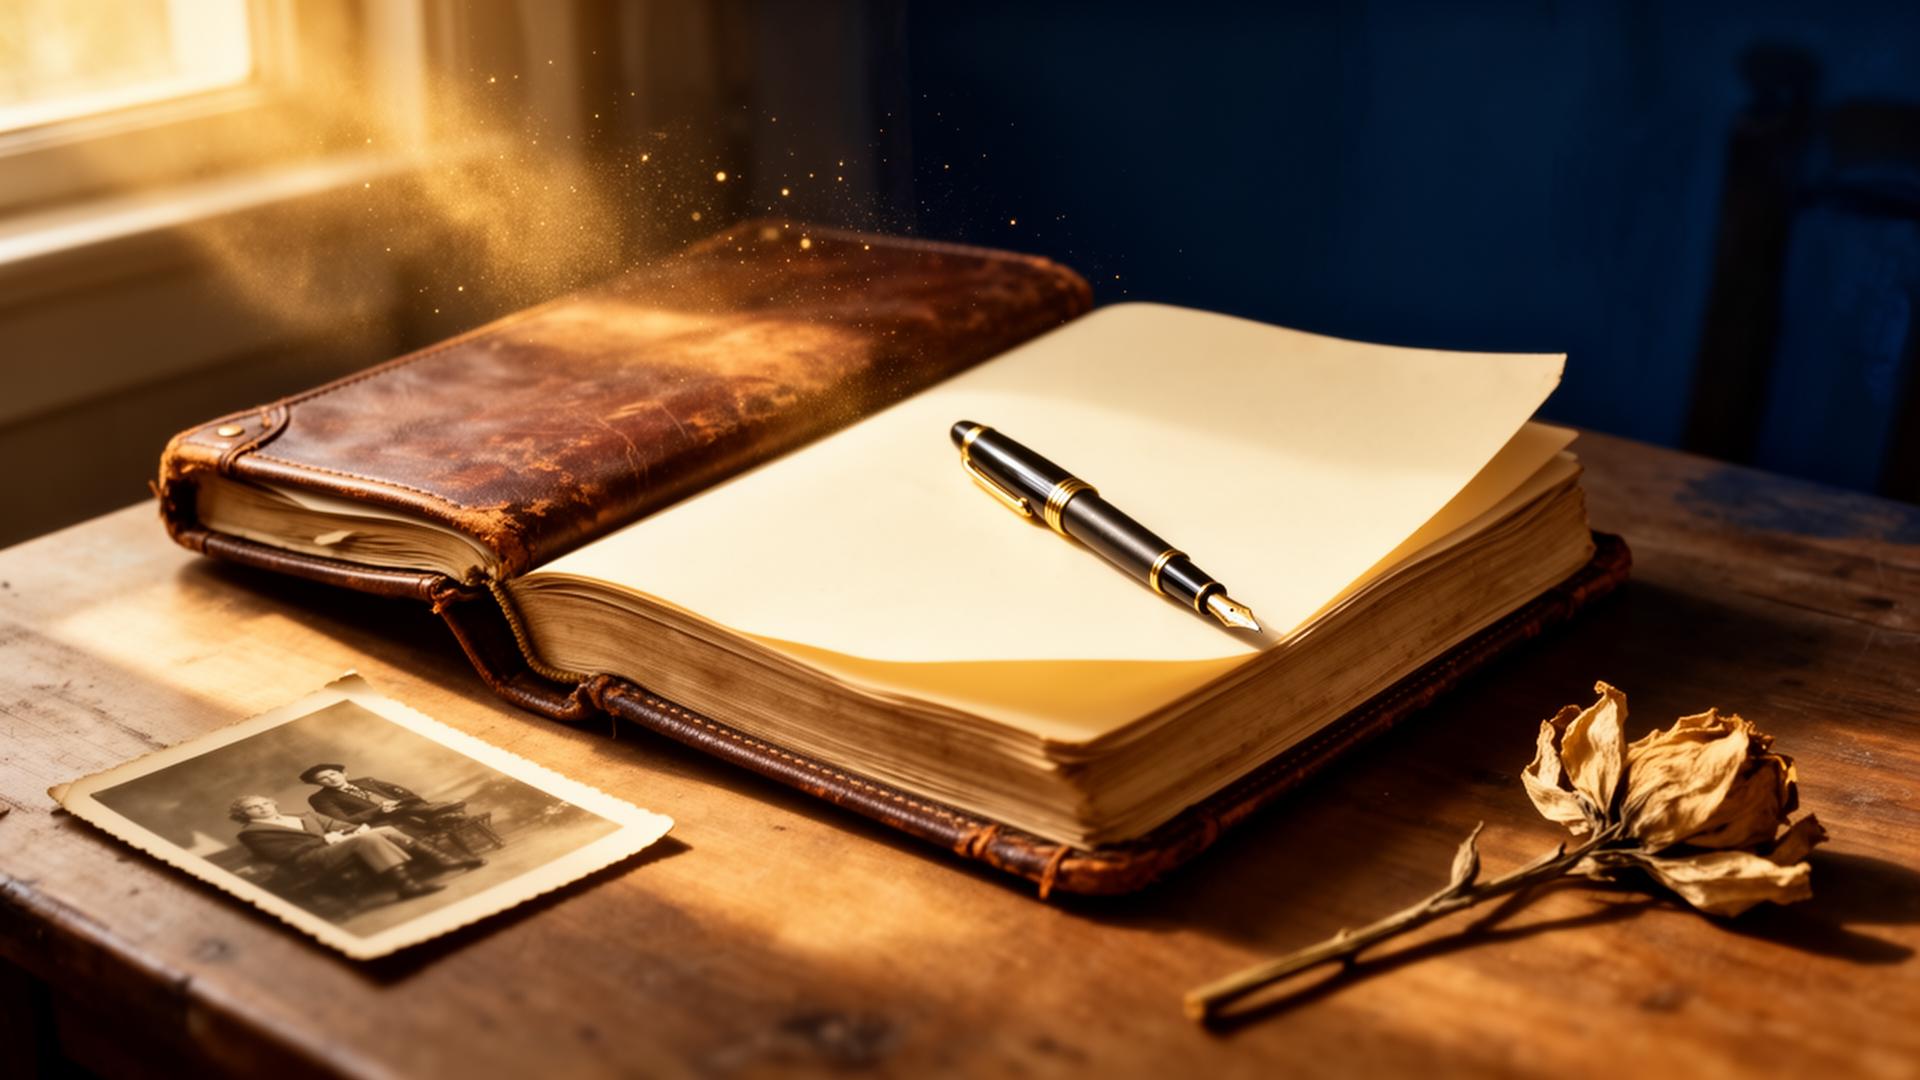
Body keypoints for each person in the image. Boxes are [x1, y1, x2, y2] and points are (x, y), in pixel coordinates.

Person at [229, 795, 479, 901]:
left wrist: (352, 830)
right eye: (254, 808)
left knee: (382, 831)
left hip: (338, 845)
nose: (263, 808)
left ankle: (441, 861)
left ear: (272, 803)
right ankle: (407, 885)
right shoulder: (251, 833)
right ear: (244, 814)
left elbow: (338, 825)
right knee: (367, 839)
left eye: (264, 803)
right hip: (310, 858)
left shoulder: (304, 814)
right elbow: (282, 855)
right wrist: (327, 840)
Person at [298, 764, 474, 839]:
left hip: (406, 809)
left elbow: (403, 792)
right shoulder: (320, 799)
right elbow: (342, 821)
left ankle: (436, 816)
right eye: (323, 779)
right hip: (376, 821)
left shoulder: (366, 781)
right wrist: (380, 810)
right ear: (317, 784)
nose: (331, 779)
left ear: (344, 774)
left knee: (406, 806)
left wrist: (400, 803)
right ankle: (439, 812)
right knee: (406, 810)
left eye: (333, 774)